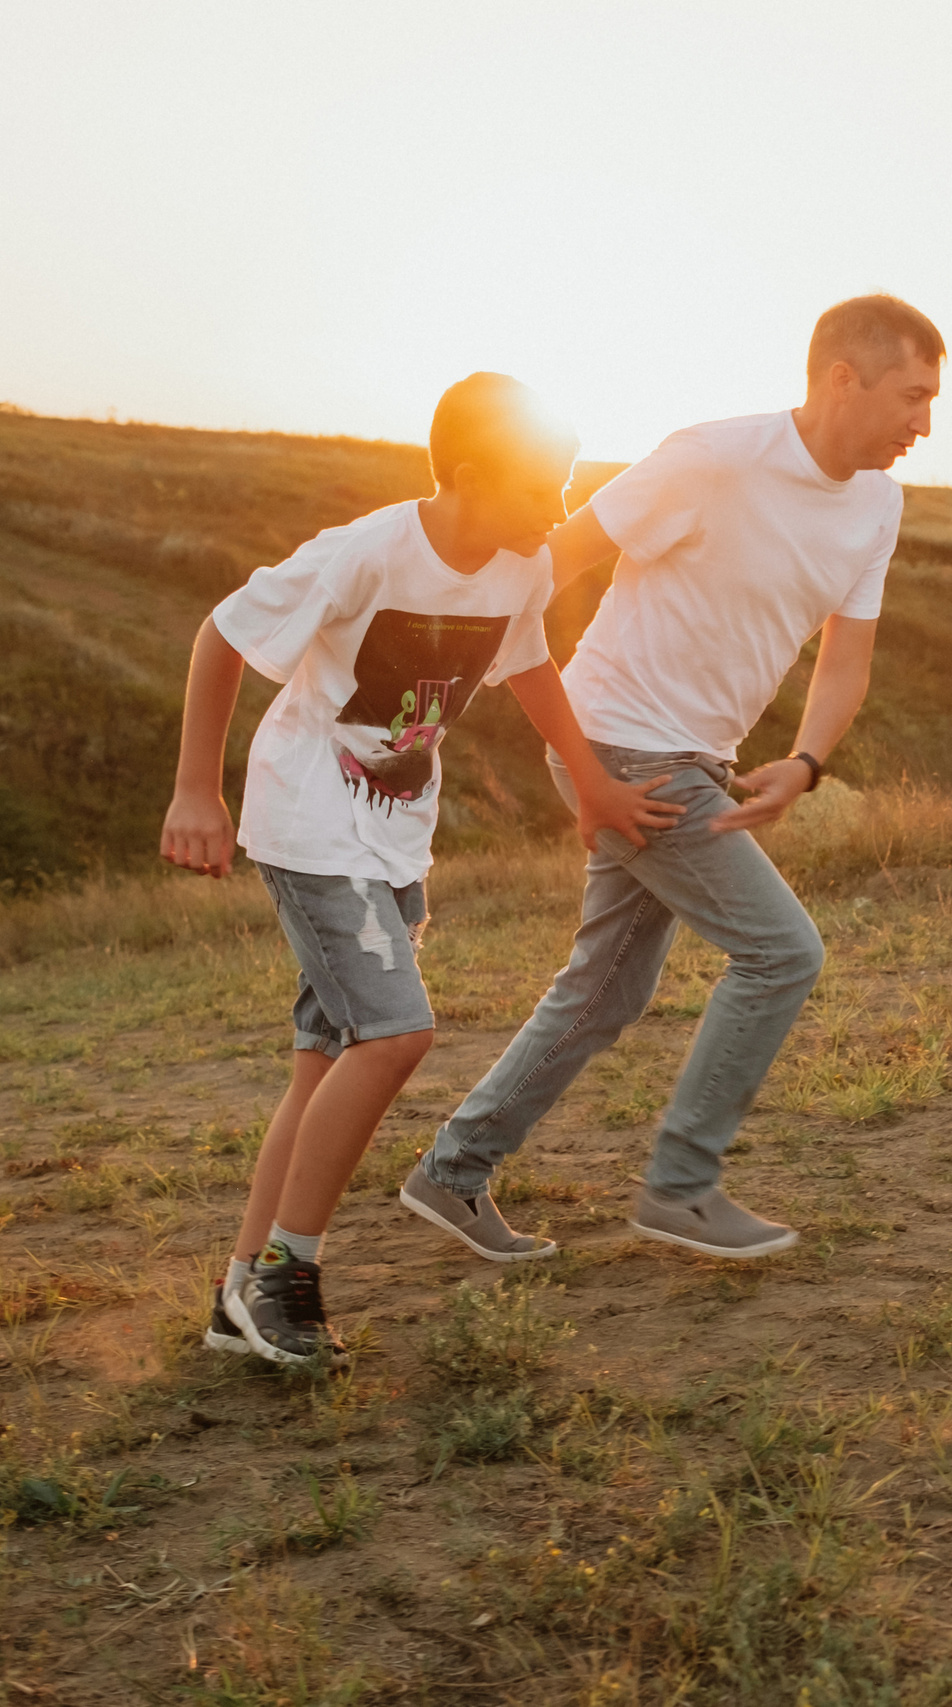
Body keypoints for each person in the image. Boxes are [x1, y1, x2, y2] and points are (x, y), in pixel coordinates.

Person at [402, 294, 944, 1263]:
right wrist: (556, 751)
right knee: (783, 953)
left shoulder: (877, 506)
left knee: (606, 988)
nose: (924, 424)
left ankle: (454, 1169)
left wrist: (807, 763)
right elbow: (553, 561)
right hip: (620, 745)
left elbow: (845, 659)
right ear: (841, 379)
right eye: (911, 396)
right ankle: (681, 1187)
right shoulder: (713, 460)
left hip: (694, 758)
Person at [162, 373, 678, 1364]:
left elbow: (528, 664)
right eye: (545, 487)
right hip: (314, 827)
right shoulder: (365, 553)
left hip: (393, 834)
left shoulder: (519, 568)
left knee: (324, 1065)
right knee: (398, 1034)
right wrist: (197, 790)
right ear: (473, 477)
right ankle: (286, 1278)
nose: (560, 511)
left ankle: (238, 1294)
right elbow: (222, 632)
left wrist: (592, 779)